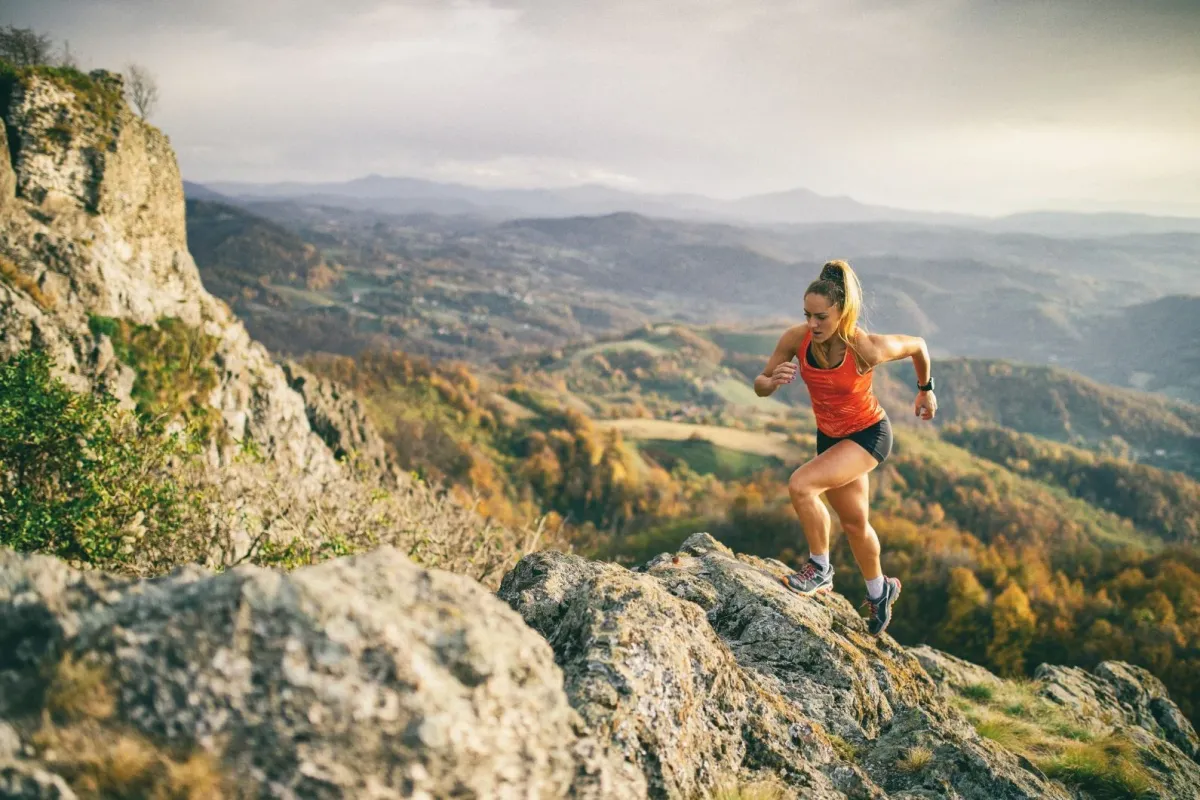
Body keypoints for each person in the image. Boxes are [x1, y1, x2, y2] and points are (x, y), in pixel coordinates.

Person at [753, 259, 936, 636]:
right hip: (832, 438)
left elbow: (918, 346)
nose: (813, 324)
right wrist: (772, 382)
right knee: (854, 523)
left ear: (842, 313)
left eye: (821, 316)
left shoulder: (864, 348)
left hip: (869, 435)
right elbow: (760, 382)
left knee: (801, 485)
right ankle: (880, 590)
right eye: (807, 315)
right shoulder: (795, 339)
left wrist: (925, 391)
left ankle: (820, 569)